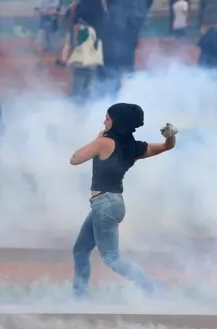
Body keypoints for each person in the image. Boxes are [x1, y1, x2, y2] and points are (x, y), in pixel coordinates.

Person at [69, 103, 178, 299]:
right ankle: (79, 296)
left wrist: (97, 139)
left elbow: (75, 159)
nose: (104, 122)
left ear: (117, 122)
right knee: (81, 249)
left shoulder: (105, 143)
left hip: (105, 204)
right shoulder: (134, 147)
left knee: (112, 258)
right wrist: (170, 135)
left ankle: (152, 287)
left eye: (108, 118)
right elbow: (166, 146)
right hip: (109, 203)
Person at [34, 0, 62, 65]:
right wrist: (44, 12)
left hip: (53, 24)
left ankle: (55, 61)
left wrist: (53, 13)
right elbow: (36, 9)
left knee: (54, 44)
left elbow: (59, 11)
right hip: (43, 23)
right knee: (40, 43)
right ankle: (39, 61)